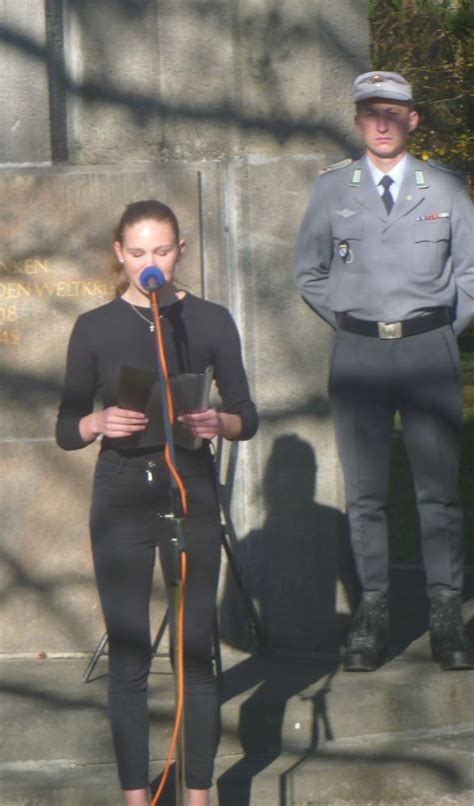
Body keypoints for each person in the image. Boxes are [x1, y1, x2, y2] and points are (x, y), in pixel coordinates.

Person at [56, 199, 258, 805]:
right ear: (120, 254)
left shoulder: (211, 320)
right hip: (121, 493)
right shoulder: (93, 327)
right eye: (138, 252)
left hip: (189, 489)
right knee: (130, 655)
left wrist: (217, 420)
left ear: (181, 251)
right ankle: (136, 798)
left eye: (163, 251)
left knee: (195, 653)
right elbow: (67, 425)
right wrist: (98, 422)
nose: (152, 263)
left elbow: (247, 414)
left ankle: (197, 795)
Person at [294, 71, 474, 673]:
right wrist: (352, 321)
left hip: (429, 352)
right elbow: (310, 273)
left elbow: (470, 274)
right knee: (367, 491)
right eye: (371, 111)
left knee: (438, 492)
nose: (381, 122)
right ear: (357, 120)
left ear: (412, 119)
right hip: (360, 355)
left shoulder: (445, 187)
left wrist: (444, 331)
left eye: (393, 112)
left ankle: (446, 612)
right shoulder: (332, 190)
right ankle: (374, 612)